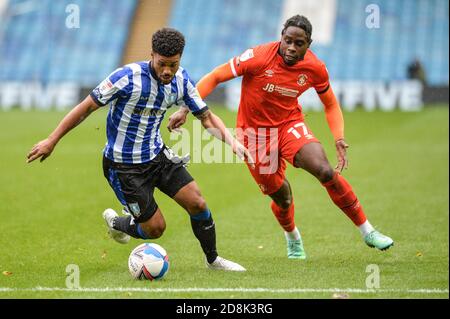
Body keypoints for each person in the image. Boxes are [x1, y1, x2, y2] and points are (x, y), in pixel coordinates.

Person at [168, 15, 394, 259]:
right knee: (282, 197)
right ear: (281, 37)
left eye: (299, 44)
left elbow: (330, 104)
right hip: (254, 137)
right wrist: (185, 109)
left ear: (309, 44)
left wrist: (338, 137)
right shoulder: (258, 57)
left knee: (325, 171)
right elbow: (215, 76)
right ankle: (293, 236)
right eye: (288, 41)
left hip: (289, 125)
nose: (291, 48)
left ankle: (367, 230)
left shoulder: (315, 68)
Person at [27, 27, 250, 271]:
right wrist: (52, 140)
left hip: (157, 156)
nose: (167, 71)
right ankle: (118, 223)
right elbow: (86, 107)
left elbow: (206, 117)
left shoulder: (181, 80)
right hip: (124, 168)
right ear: (151, 54)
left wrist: (233, 143)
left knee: (197, 202)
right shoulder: (126, 77)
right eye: (162, 63)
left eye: (173, 64)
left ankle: (213, 261)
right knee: (155, 229)